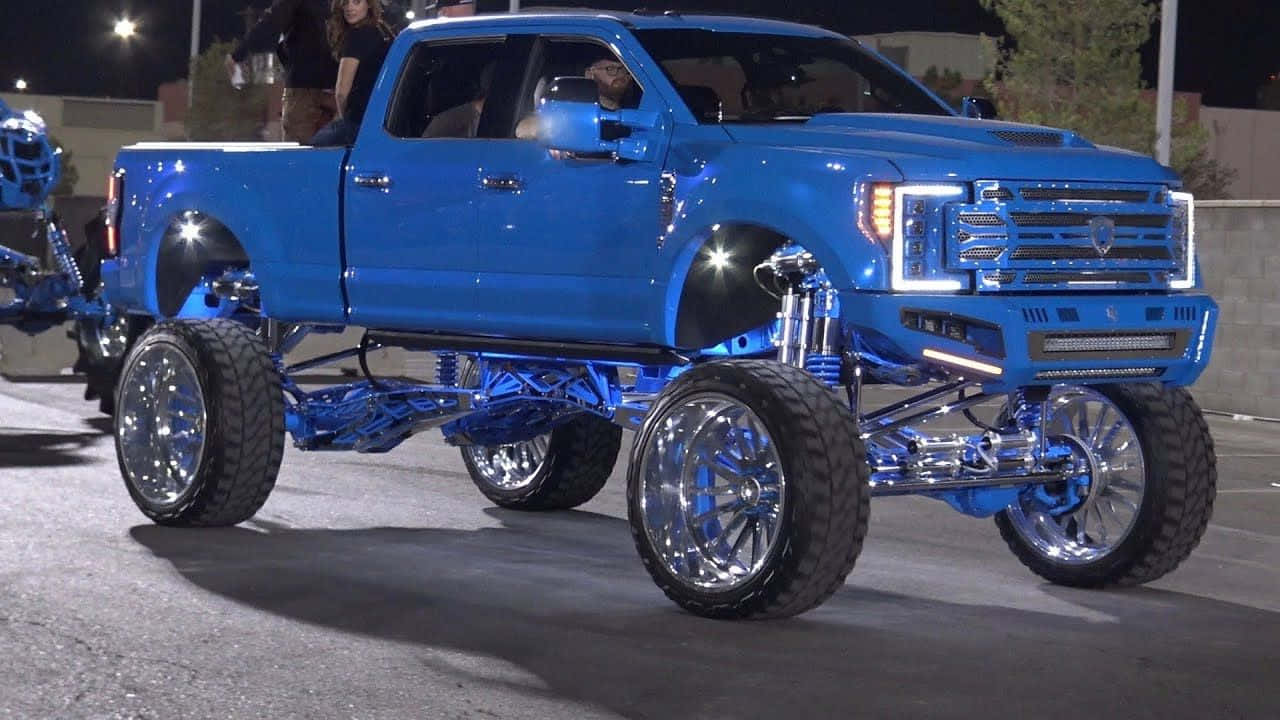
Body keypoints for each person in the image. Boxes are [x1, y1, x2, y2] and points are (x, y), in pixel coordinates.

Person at [225, 0, 339, 143]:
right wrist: (238, 55)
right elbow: (271, 23)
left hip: (337, 92)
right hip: (304, 92)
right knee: (299, 157)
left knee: (332, 155)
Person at [310, 0, 395, 147]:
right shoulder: (383, 30)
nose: (349, 8)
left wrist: (345, 121)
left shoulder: (357, 35)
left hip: (360, 120)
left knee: (315, 146)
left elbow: (342, 92)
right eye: (345, 3)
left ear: (368, 4)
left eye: (356, 2)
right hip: (385, 118)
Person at [515, 52, 638, 140]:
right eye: (611, 69)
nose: (620, 75)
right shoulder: (574, 109)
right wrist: (558, 130)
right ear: (590, 74)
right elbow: (523, 130)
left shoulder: (642, 110)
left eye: (624, 69)